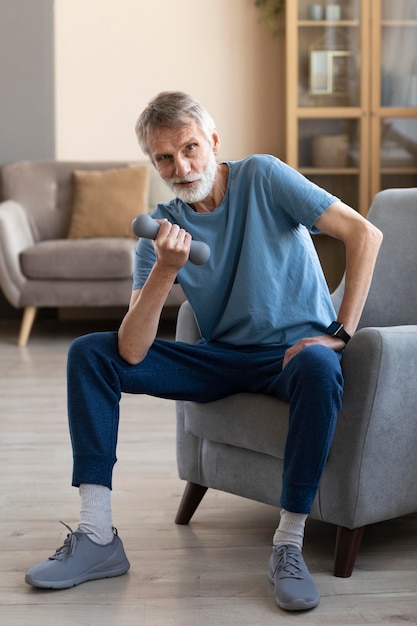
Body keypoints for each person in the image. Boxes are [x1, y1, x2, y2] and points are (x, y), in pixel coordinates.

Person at [25, 91, 382, 611]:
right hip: (220, 358)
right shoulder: (159, 232)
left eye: (190, 148)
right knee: (90, 353)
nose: (182, 166)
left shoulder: (263, 176)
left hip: (294, 355)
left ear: (213, 141)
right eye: (164, 158)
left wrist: (340, 332)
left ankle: (288, 544)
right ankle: (97, 535)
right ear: (153, 163)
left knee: (319, 366)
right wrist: (167, 269)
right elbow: (131, 350)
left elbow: (363, 234)